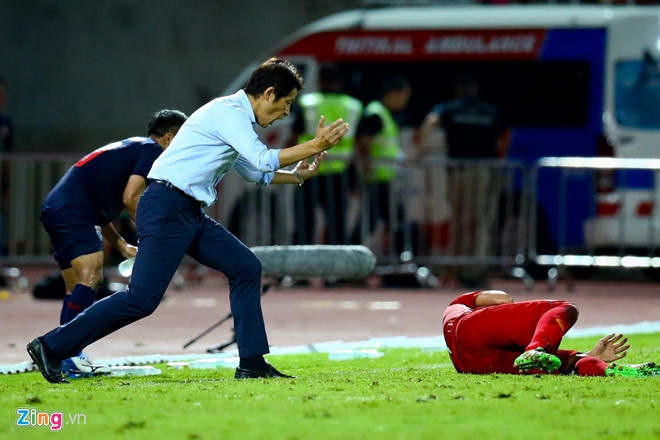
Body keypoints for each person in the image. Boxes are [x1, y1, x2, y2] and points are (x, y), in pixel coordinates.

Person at [27, 58, 351, 384]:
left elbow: (256, 171)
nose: (285, 113)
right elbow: (262, 158)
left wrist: (296, 176)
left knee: (246, 267)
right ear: (269, 93)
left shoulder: (233, 116)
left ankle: (252, 362)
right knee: (141, 299)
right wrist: (315, 144)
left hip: (188, 211)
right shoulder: (230, 113)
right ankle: (51, 346)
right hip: (168, 205)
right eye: (287, 103)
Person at [39, 109, 188, 377]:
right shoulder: (153, 152)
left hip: (58, 206)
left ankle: (65, 356)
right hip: (75, 209)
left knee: (76, 286)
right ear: (168, 138)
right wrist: (150, 235)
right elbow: (131, 198)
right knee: (91, 277)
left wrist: (121, 245)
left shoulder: (131, 148)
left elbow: (101, 209)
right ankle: (67, 353)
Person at [419, 72, 510, 288]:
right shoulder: (490, 110)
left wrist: (421, 147)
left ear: (458, 90)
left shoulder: (449, 108)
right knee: (481, 221)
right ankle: (476, 269)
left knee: (459, 220)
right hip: (484, 171)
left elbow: (430, 123)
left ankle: (457, 267)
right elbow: (502, 140)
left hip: (458, 170)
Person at [443, 289, 660, 377]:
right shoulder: (461, 303)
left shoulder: (450, 317)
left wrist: (591, 355)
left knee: (565, 361)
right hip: (470, 329)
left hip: (471, 365)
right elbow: (503, 299)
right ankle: (534, 349)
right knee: (564, 308)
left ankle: (607, 369)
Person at [288, 63, 363, 246]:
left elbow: (293, 139)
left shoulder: (307, 104)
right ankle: (337, 272)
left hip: (308, 173)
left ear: (319, 80)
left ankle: (301, 272)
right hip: (339, 176)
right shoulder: (353, 106)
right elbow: (359, 144)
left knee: (304, 225)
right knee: (337, 226)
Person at [352, 75, 411, 253]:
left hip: (382, 177)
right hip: (377, 178)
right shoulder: (376, 113)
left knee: (374, 221)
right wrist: (368, 165)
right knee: (390, 220)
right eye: (404, 96)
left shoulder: (381, 113)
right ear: (394, 93)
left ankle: (350, 251)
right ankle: (403, 257)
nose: (405, 101)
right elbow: (363, 140)